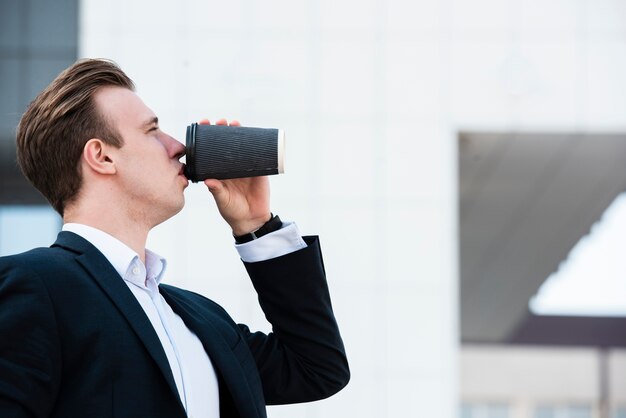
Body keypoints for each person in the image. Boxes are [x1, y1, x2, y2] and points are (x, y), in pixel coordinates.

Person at [0, 59, 349, 418]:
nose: (178, 146)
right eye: (152, 131)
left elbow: (316, 369)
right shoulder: (33, 285)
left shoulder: (203, 318)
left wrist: (257, 225)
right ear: (102, 156)